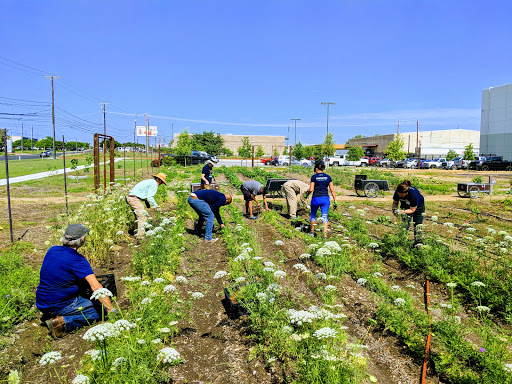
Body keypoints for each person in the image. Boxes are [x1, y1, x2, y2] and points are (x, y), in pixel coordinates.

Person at [36, 224, 116, 339]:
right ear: (82, 239)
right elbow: (96, 287)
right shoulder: (78, 259)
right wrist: (110, 309)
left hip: (42, 301)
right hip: (61, 304)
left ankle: (52, 314)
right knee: (101, 310)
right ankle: (62, 322)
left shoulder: (52, 250)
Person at [126, 173, 167, 238]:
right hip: (134, 199)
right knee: (142, 216)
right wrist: (156, 207)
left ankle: (135, 232)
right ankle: (140, 237)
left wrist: (146, 202)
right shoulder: (154, 184)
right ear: (158, 179)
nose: (161, 184)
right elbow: (150, 197)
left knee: (138, 217)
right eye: (162, 182)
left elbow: (144, 192)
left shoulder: (150, 181)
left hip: (131, 198)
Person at [305, 162, 337, 237]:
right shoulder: (328, 177)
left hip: (315, 199)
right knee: (324, 217)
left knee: (313, 215)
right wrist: (335, 200)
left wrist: (306, 194)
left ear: (316, 168)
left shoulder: (314, 177)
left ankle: (312, 232)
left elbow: (311, 189)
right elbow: (332, 190)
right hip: (325, 199)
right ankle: (324, 235)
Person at [392, 180, 425, 245]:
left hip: (418, 207)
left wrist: (402, 211)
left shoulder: (413, 194)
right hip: (405, 206)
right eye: (399, 194)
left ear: (407, 193)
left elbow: (412, 210)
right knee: (405, 225)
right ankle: (402, 241)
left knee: (417, 225)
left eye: (402, 195)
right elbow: (395, 202)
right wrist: (394, 209)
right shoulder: (396, 193)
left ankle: (418, 243)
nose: (400, 196)